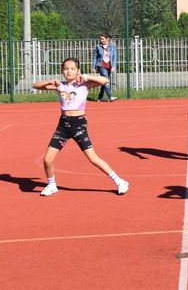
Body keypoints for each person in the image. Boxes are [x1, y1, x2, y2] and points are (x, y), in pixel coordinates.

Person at [32, 58, 129, 196]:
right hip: (63, 125)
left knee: (92, 158)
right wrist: (49, 81)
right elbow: (35, 85)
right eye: (66, 68)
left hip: (78, 124)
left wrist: (86, 76)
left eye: (72, 68)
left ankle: (120, 181)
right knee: (47, 159)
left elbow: (105, 80)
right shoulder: (60, 85)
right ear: (62, 71)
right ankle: (51, 184)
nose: (69, 71)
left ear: (78, 71)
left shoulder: (84, 84)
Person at [91, 33, 118, 102]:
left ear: (107, 39)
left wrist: (113, 66)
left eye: (103, 39)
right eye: (101, 39)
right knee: (106, 80)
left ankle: (100, 97)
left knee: (104, 81)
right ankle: (110, 96)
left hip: (109, 65)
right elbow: (95, 57)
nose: (101, 40)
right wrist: (93, 67)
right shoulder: (98, 46)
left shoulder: (112, 46)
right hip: (101, 65)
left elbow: (115, 56)